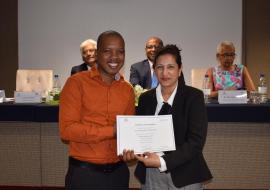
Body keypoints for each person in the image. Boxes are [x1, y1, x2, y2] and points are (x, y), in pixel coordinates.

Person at [123, 45, 212, 190]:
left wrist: (162, 161)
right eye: (159, 67)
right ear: (154, 70)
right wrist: (131, 152)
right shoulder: (145, 98)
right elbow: (139, 136)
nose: (165, 73)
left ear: (179, 69)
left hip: (185, 175)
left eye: (170, 67)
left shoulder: (193, 97)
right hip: (151, 175)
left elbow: (195, 142)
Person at [60, 30, 135, 190]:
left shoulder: (127, 90)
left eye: (120, 52)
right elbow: (67, 130)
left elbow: (128, 135)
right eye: (107, 51)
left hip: (119, 175)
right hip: (85, 176)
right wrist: (111, 131)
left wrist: (132, 152)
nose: (114, 57)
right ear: (97, 53)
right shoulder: (76, 83)